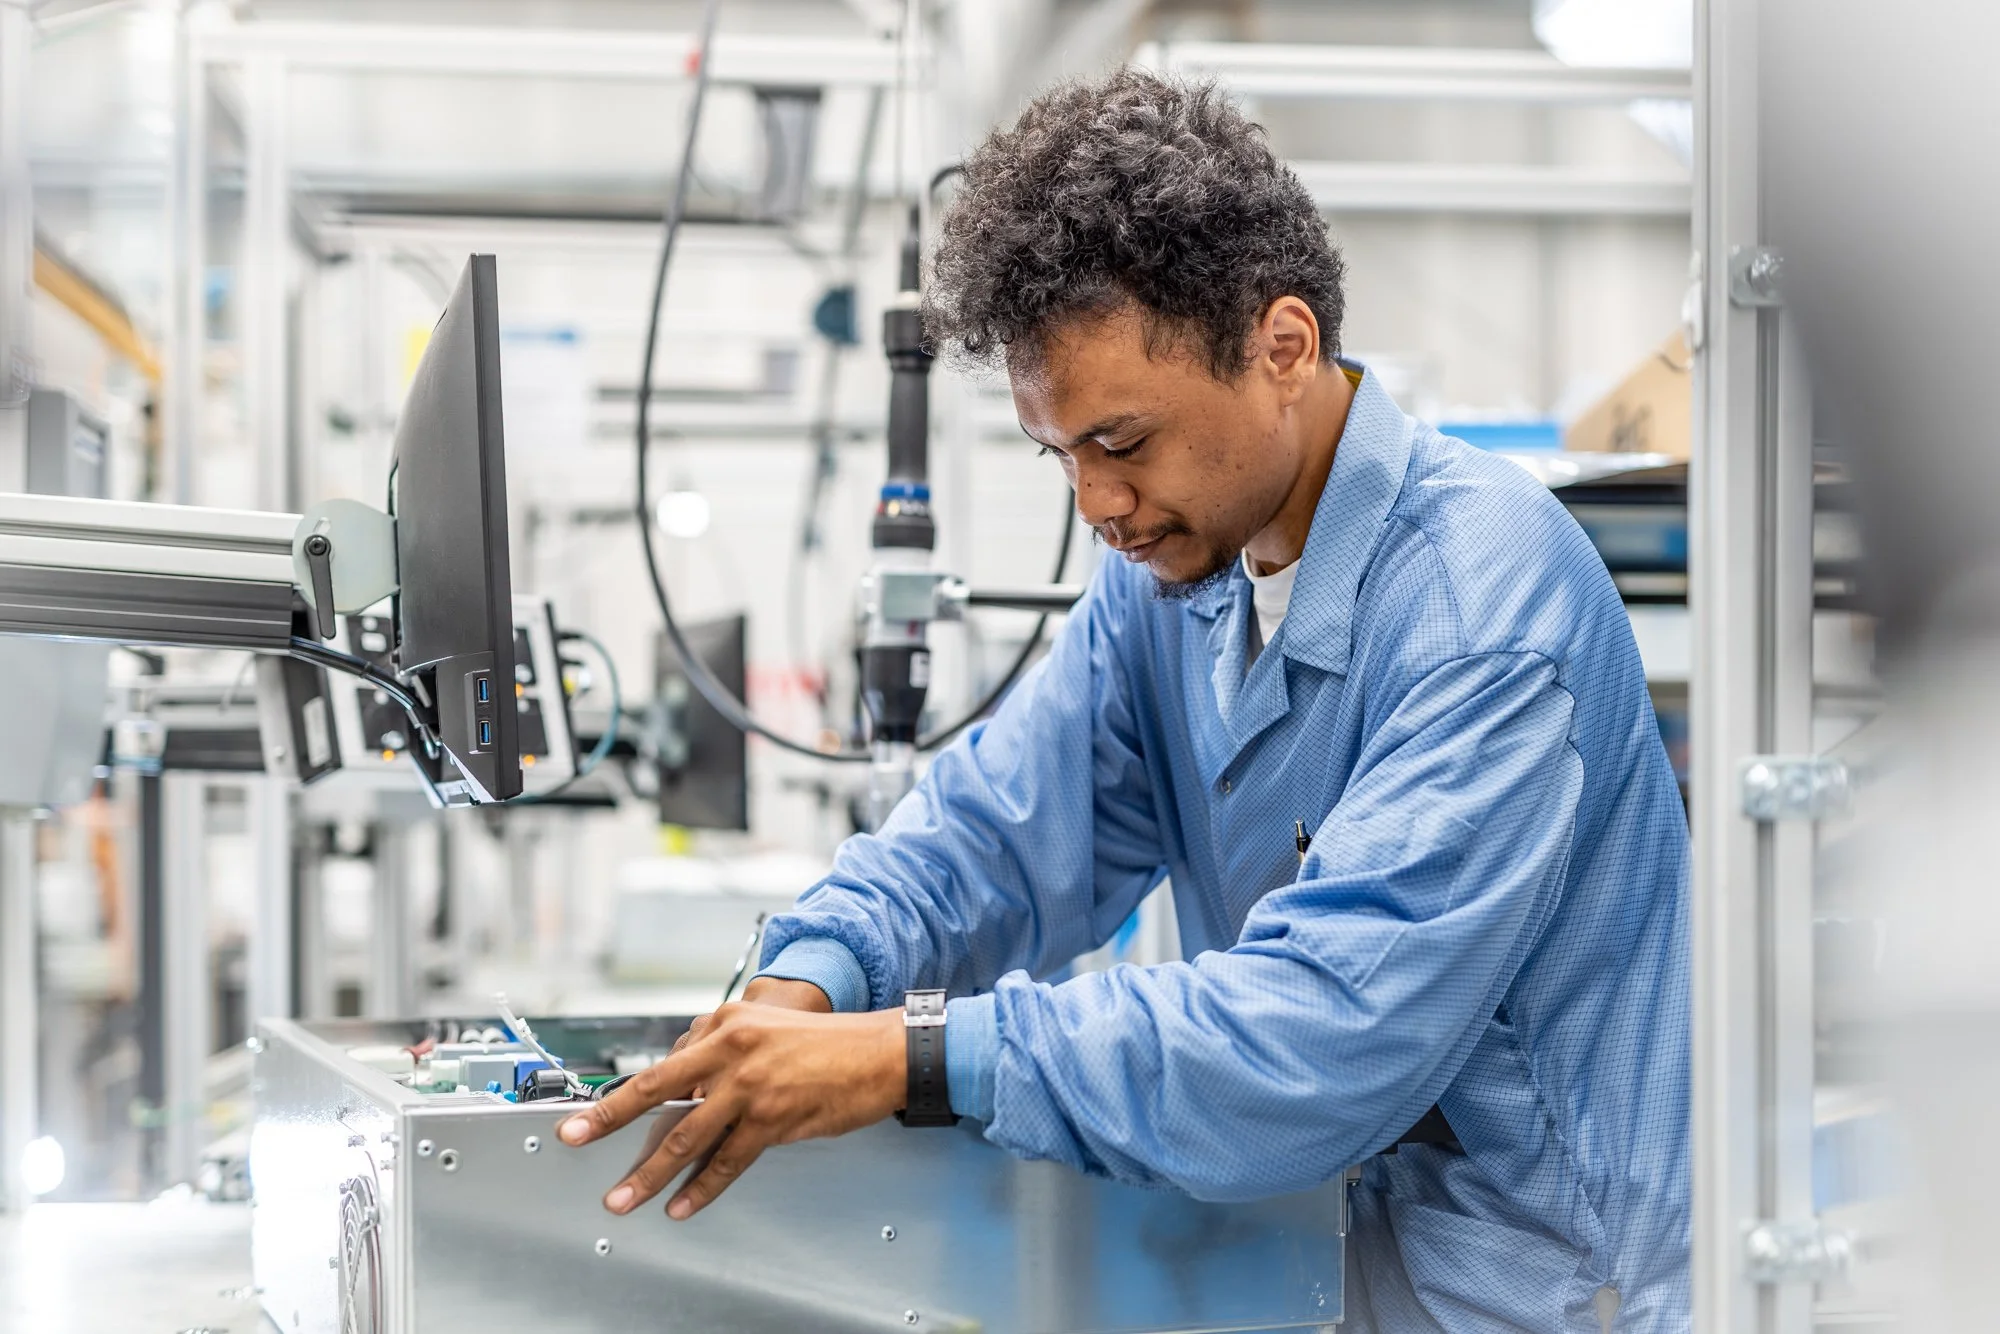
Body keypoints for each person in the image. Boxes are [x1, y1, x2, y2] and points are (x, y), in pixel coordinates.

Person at [559, 68, 1689, 1333]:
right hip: (1329, 1272)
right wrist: (812, 980)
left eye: (1122, 441)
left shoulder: (1481, 611)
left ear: (1282, 347)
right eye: (1060, 455)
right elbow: (997, 837)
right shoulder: (1174, 574)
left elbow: (1316, 1037)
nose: (1093, 506)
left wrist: (908, 1053)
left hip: (1544, 1297)